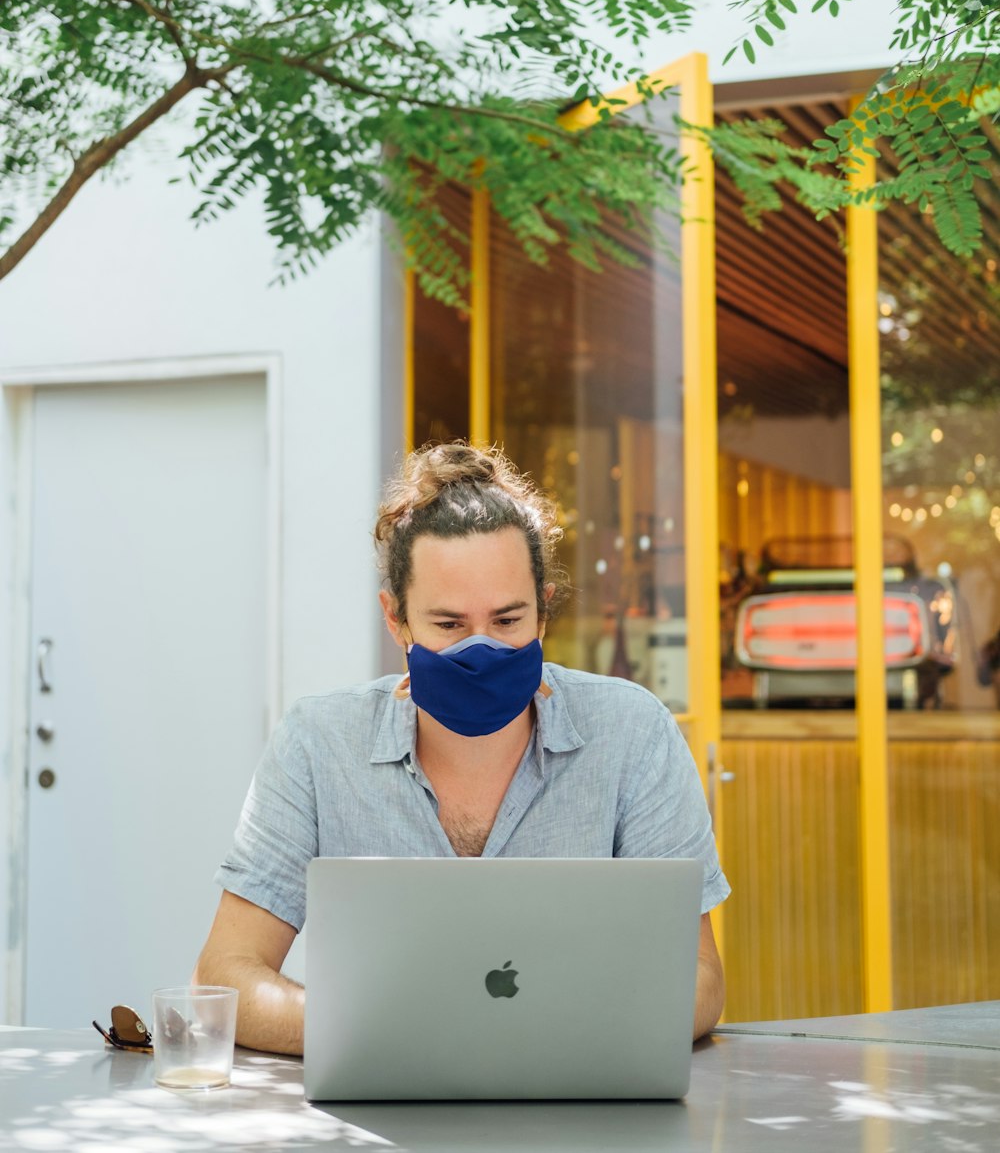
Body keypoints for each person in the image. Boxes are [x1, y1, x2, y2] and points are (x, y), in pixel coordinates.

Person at [194, 443, 729, 1053]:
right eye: (448, 625)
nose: (481, 650)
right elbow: (225, 976)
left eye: (507, 621)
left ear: (544, 612)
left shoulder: (633, 733)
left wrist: (543, 1038)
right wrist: (403, 1036)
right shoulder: (317, 745)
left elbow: (700, 980)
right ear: (396, 621)